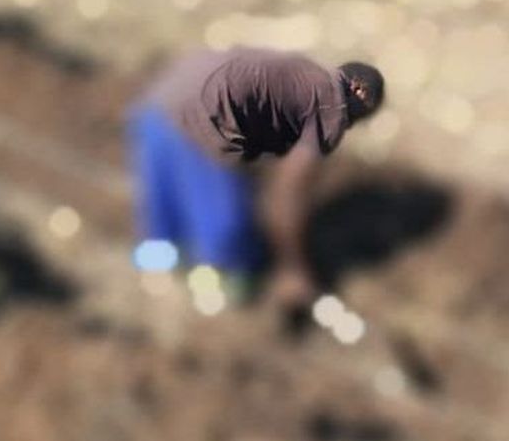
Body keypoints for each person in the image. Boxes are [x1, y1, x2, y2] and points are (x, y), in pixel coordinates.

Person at [127, 48, 385, 309]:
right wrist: (292, 269)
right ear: (359, 102)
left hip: (164, 95)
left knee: (163, 205)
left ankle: (157, 263)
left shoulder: (305, 71)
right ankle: (216, 294)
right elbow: (287, 197)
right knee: (229, 238)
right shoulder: (332, 111)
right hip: (199, 122)